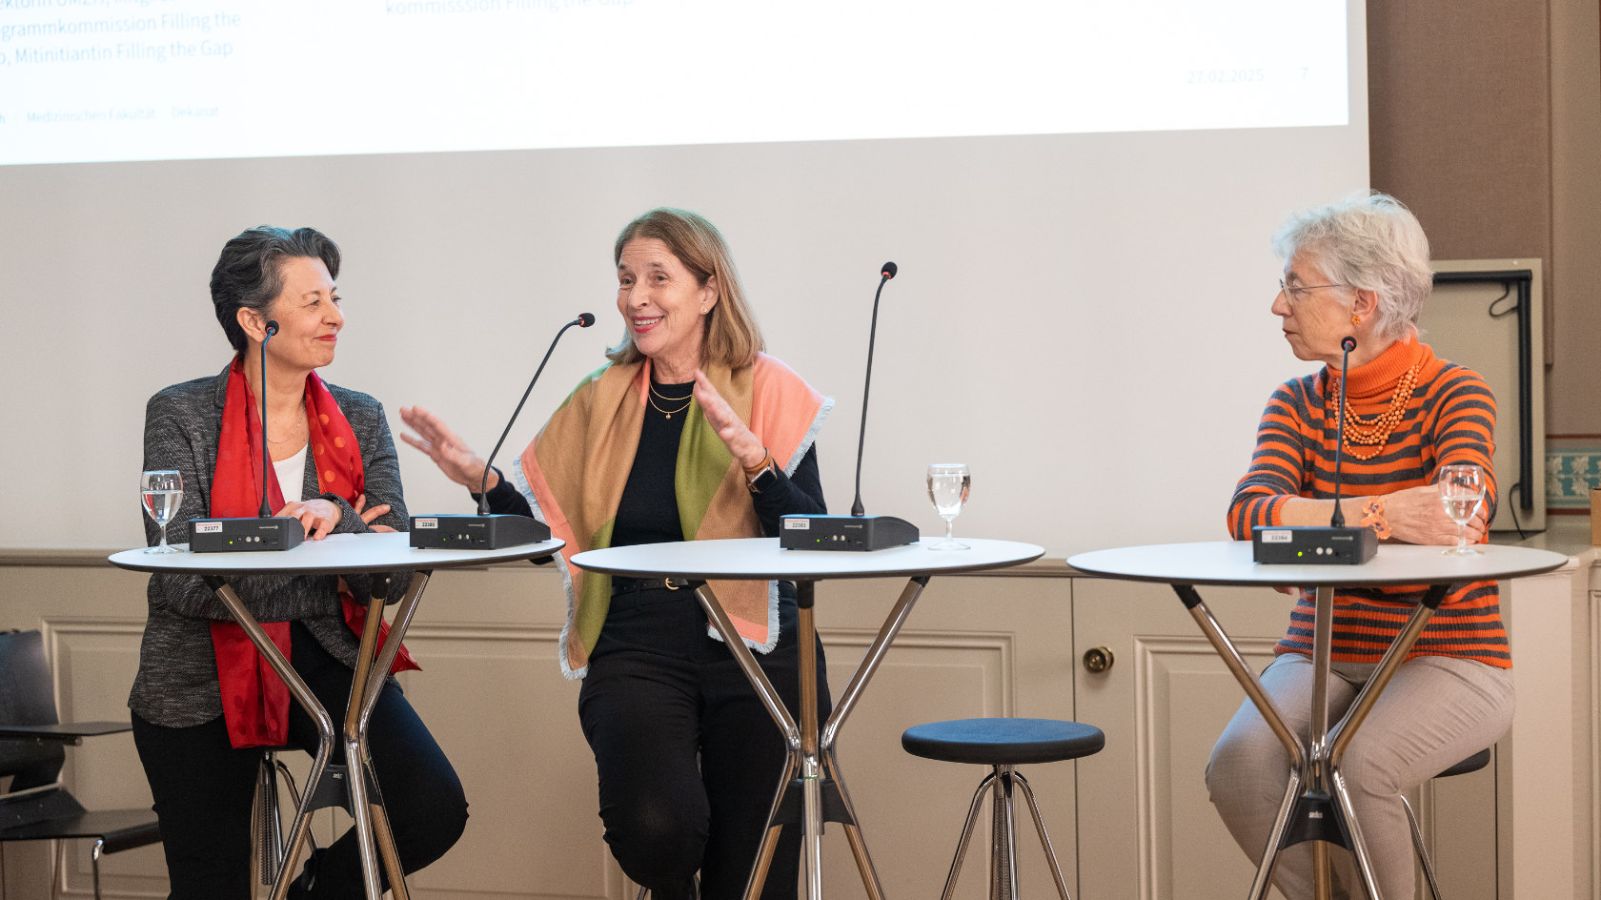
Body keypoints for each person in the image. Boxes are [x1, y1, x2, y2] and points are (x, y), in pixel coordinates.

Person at [399, 207, 831, 899]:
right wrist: (482, 480)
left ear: (709, 290)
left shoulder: (770, 388)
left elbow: (813, 538)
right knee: (656, 829)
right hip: (637, 638)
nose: (636, 298)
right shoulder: (600, 399)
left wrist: (756, 462)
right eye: (626, 279)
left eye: (658, 278)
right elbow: (545, 537)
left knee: (756, 872)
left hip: (758, 643)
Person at [132, 226, 467, 899]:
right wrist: (330, 559)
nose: (335, 316)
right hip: (196, 674)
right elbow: (184, 584)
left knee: (430, 808)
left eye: (334, 298)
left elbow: (391, 576)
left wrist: (336, 516)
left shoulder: (360, 417)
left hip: (328, 657)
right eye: (313, 302)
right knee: (211, 885)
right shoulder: (180, 414)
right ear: (255, 321)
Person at [1209, 193, 1508, 898]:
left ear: (1361, 305)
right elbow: (1250, 516)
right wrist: (1382, 514)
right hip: (1321, 648)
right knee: (1239, 765)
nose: (1277, 306)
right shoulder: (1295, 403)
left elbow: (1460, 514)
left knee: (1358, 765)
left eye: (1296, 287)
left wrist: (1310, 531)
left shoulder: (1455, 392)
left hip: (1448, 653)